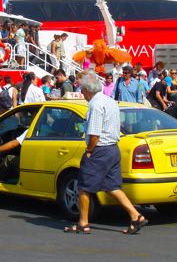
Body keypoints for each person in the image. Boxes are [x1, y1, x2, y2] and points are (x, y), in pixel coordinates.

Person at [64, 71, 147, 235]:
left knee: (83, 186)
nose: (82, 93)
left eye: (82, 90)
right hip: (112, 148)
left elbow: (94, 133)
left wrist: (89, 150)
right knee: (112, 186)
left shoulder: (95, 105)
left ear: (87, 90)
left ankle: (83, 222)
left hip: (99, 149)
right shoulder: (109, 101)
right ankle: (135, 215)